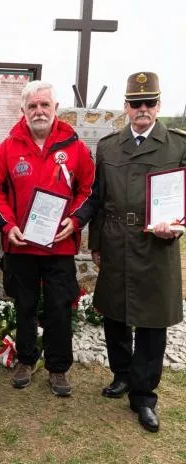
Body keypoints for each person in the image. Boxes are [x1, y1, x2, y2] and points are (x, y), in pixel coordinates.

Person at [88, 72, 186, 432]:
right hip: (115, 239)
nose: (142, 109)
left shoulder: (177, 146)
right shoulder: (109, 146)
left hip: (155, 243)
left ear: (158, 105)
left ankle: (144, 396)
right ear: (126, 107)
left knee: (151, 320)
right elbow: (98, 200)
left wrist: (175, 224)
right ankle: (122, 374)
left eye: (149, 103)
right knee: (114, 312)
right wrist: (95, 242)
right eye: (135, 103)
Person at [0, 81, 95, 397]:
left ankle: (58, 368)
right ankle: (25, 359)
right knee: (24, 305)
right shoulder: (8, 148)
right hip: (21, 246)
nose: (39, 111)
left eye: (44, 105)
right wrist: (8, 226)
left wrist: (74, 221)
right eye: (32, 106)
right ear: (23, 110)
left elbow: (88, 189)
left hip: (59, 246)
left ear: (55, 108)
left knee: (60, 307)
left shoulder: (75, 147)